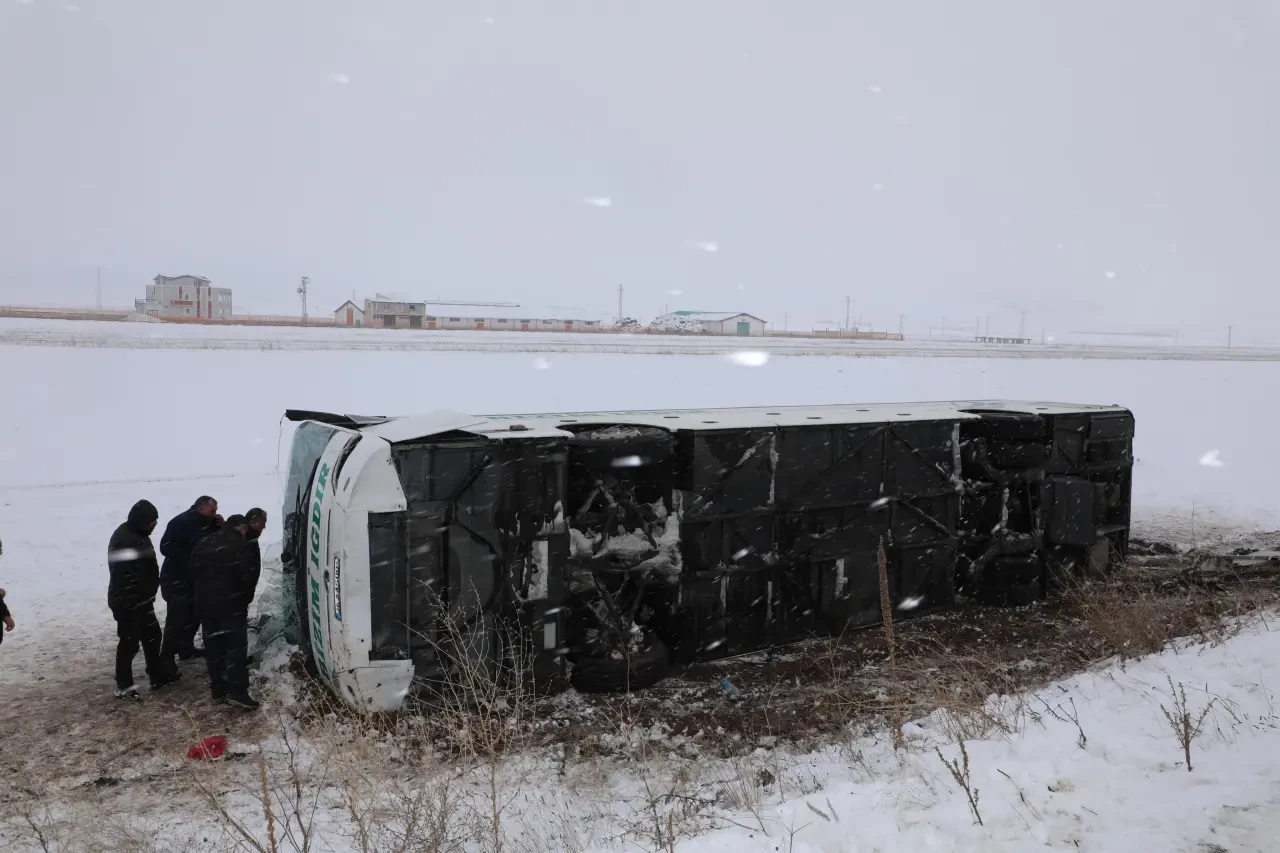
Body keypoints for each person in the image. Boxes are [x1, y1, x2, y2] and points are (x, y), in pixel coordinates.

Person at [108, 500, 177, 699]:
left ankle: (157, 674)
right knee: (129, 643)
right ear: (141, 521)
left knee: (153, 636)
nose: (154, 526)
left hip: (142, 600)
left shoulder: (138, 534)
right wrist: (133, 601)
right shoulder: (125, 539)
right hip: (128, 602)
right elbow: (123, 576)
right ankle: (123, 685)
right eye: (151, 522)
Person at [191, 514, 261, 710]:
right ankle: (237, 692)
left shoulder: (203, 542)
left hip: (206, 606)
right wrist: (242, 600)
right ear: (242, 528)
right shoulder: (239, 546)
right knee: (235, 650)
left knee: (214, 648)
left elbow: (192, 572)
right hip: (230, 607)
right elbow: (246, 579)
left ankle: (218, 688)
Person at [159, 496, 221, 673]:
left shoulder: (206, 522)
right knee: (176, 620)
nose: (214, 514)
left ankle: (186, 648)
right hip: (176, 580)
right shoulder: (180, 522)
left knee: (194, 616)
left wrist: (218, 525)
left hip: (194, 581)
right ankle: (166, 658)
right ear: (201, 508)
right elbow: (165, 547)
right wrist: (190, 558)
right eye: (212, 511)